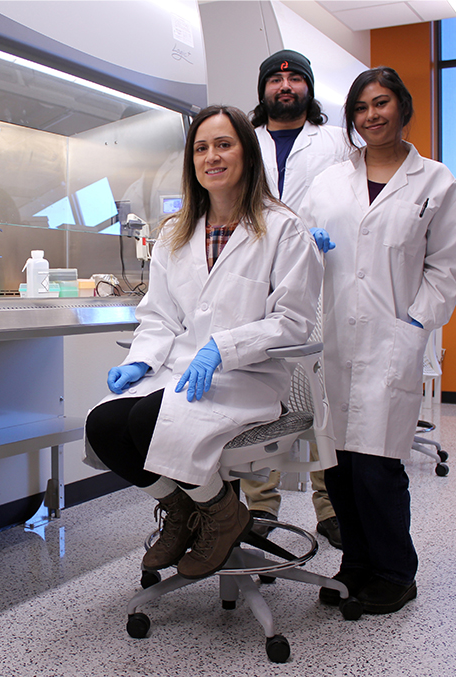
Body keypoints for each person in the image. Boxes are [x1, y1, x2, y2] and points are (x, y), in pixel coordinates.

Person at [84, 105, 323, 581]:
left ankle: (219, 511)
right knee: (105, 423)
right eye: (201, 148)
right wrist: (141, 360)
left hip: (245, 378)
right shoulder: (176, 231)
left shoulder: (283, 228)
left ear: (246, 154)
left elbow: (294, 321)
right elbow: (159, 315)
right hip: (181, 371)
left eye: (223, 144)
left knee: (147, 420)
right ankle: (183, 510)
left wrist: (225, 348)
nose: (211, 157)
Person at [302, 67, 456, 614]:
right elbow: (294, 244)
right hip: (330, 341)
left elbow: (447, 268)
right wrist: (307, 243)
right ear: (351, 118)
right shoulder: (329, 180)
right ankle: (355, 565)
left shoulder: (435, 182)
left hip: (390, 338)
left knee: (378, 466)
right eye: (361, 108)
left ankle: (396, 573)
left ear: (402, 107)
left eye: (382, 103)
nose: (372, 115)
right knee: (339, 465)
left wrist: (418, 323)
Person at [243, 49, 352, 548]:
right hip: (254, 282)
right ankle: (260, 505)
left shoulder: (334, 141)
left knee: (320, 396)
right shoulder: (248, 142)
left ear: (308, 88)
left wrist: (330, 233)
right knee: (258, 394)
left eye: (294, 78)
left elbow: (353, 198)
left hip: (317, 279)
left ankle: (329, 506)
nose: (284, 85)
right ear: (263, 90)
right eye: (275, 78)